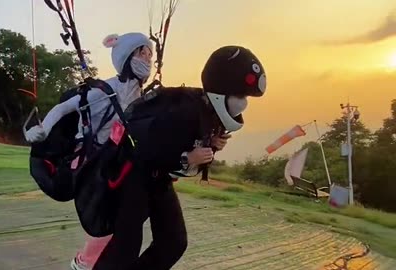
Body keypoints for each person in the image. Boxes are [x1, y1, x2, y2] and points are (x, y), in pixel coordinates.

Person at [91, 45, 267, 270]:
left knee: (173, 243)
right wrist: (187, 158)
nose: (242, 103)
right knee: (125, 248)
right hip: (134, 178)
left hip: (158, 180)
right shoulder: (183, 111)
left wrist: (211, 145)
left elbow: (185, 145)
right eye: (240, 96)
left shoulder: (205, 109)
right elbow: (148, 150)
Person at [22, 32, 156, 270]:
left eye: (149, 54)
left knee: (126, 212)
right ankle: (84, 263)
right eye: (142, 53)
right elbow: (63, 108)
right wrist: (42, 129)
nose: (147, 59)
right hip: (87, 159)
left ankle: (95, 261)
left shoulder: (140, 98)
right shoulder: (104, 90)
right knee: (104, 216)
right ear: (127, 57)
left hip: (112, 158)